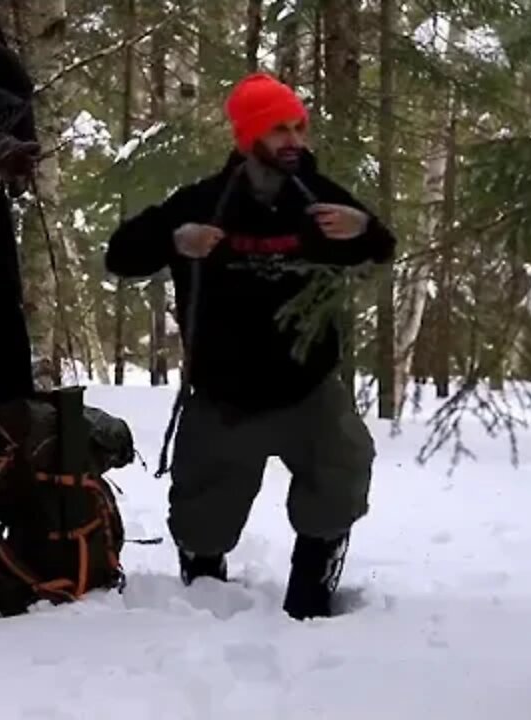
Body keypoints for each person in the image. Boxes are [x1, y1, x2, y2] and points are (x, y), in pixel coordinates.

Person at [104, 72, 396, 620]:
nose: (293, 139)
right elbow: (120, 256)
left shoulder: (324, 201)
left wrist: (362, 228)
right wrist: (175, 241)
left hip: (308, 388)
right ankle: (205, 599)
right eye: (278, 128)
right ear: (247, 137)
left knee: (340, 478)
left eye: (298, 127)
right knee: (201, 517)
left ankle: (312, 589)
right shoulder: (202, 203)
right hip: (224, 395)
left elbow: (380, 248)